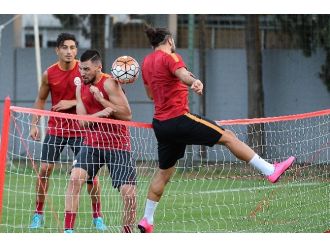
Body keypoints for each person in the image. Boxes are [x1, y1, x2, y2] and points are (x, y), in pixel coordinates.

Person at [137, 25, 296, 233]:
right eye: (173, 41)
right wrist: (194, 81)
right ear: (169, 41)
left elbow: (150, 95)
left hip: (161, 125)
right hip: (179, 119)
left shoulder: (146, 63)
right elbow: (182, 73)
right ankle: (270, 170)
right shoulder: (171, 57)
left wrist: (177, 84)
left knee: (164, 173)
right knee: (228, 137)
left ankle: (147, 220)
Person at [29, 33, 107, 231]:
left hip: (81, 130)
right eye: (65, 47)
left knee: (89, 176)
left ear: (76, 51)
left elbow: (93, 94)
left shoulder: (84, 70)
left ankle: (97, 216)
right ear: (57, 50)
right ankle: (38, 213)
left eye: (73, 48)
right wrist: (34, 123)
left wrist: (71, 102)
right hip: (56, 128)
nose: (69, 51)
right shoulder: (49, 73)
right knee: (45, 170)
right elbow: (40, 99)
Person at [63, 49, 137, 233]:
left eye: (86, 69)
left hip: (117, 145)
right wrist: (93, 110)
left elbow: (127, 115)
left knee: (129, 194)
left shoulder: (110, 84)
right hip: (92, 145)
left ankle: (127, 233)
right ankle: (67, 232)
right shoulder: (81, 86)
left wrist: (102, 101)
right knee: (74, 179)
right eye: (81, 69)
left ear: (98, 67)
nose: (82, 73)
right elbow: (82, 122)